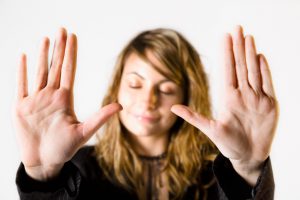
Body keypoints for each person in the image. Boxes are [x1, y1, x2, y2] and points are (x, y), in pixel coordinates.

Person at [14, 26, 278, 200]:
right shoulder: (79, 167)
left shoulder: (215, 172)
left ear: (187, 96)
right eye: (135, 84)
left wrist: (247, 169)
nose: (148, 100)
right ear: (117, 86)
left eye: (165, 88)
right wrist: (43, 176)